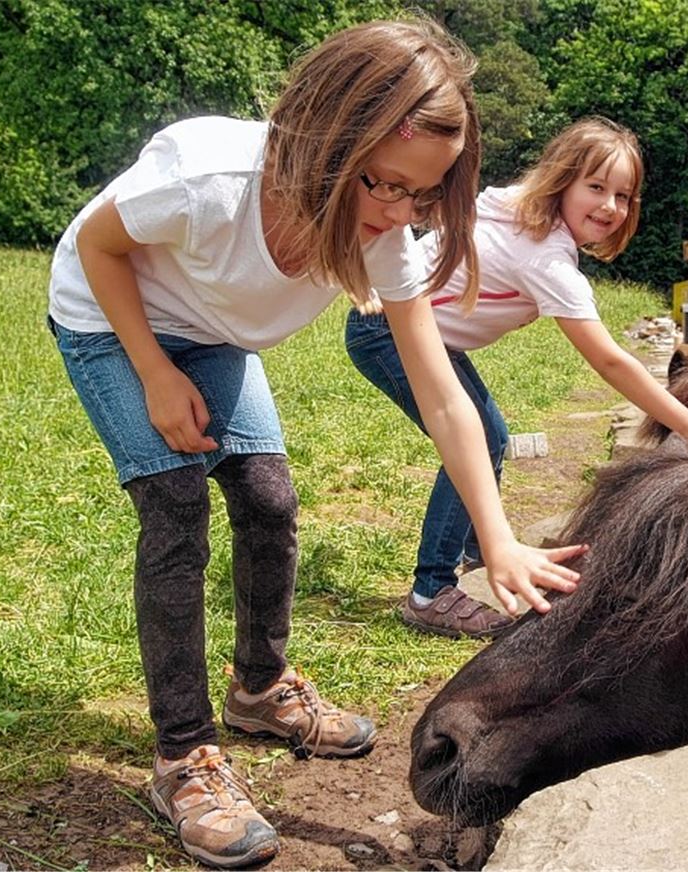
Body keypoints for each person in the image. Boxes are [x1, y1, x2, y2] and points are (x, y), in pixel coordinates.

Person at [47, 20, 584, 869]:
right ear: (326, 136)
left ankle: (260, 691)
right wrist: (152, 371)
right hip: (113, 321)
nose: (401, 214)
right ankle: (183, 759)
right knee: (178, 506)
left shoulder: (389, 235)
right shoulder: (208, 179)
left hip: (216, 335)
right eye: (385, 185)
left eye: (424, 195)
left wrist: (498, 535)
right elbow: (97, 245)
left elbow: (444, 396)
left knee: (268, 500)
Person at [347, 117, 688, 638]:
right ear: (562, 181)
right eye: (596, 187)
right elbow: (610, 359)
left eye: (623, 195)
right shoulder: (546, 259)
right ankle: (433, 589)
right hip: (385, 329)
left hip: (417, 331)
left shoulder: (519, 209)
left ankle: (481, 553)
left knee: (487, 433)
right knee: (483, 438)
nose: (609, 206)